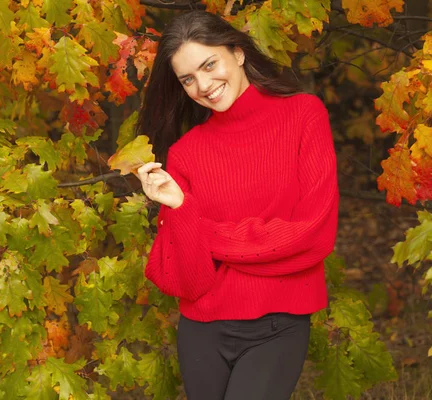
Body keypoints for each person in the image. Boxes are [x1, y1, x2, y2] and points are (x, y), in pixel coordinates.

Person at [136, 10, 339, 400]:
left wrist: (202, 229)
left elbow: (312, 237)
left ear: (238, 53)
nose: (204, 85)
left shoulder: (303, 115)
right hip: (202, 331)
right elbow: (188, 282)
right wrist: (179, 209)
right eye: (188, 79)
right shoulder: (184, 154)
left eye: (209, 65)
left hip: (278, 325)